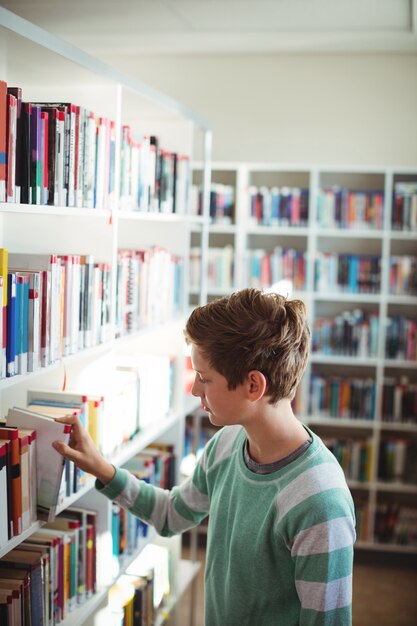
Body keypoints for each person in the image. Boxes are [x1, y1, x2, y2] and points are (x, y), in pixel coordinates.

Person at [53, 287, 356, 625]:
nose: (195, 389)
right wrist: (103, 469)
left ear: (254, 386)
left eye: (204, 378)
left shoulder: (319, 502)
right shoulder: (226, 444)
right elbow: (171, 515)